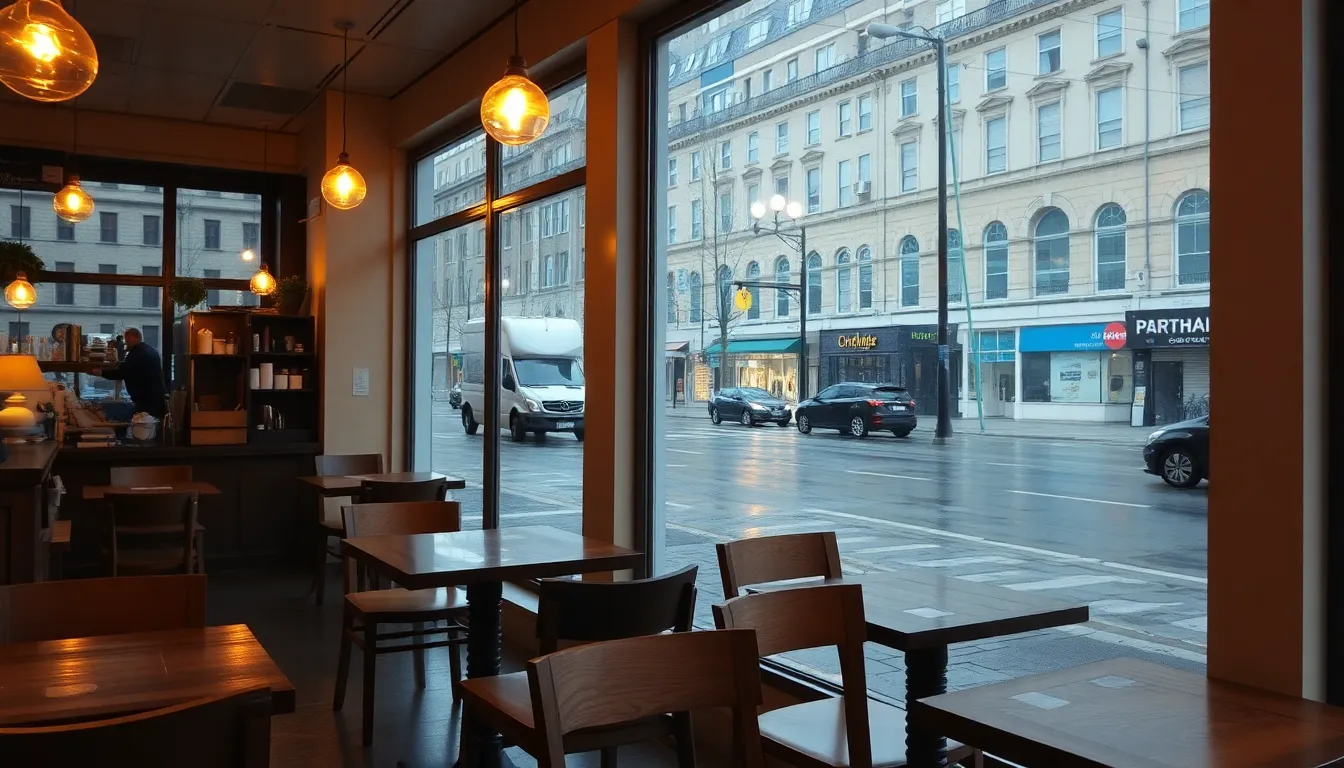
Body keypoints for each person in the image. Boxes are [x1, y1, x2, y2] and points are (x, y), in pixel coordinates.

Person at [95, 328, 167, 418]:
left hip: (147, 399)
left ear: (135, 338)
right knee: (151, 426)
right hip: (155, 397)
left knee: (144, 426)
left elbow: (122, 373)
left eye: (127, 339)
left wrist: (100, 372)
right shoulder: (148, 349)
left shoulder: (138, 352)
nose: (126, 342)